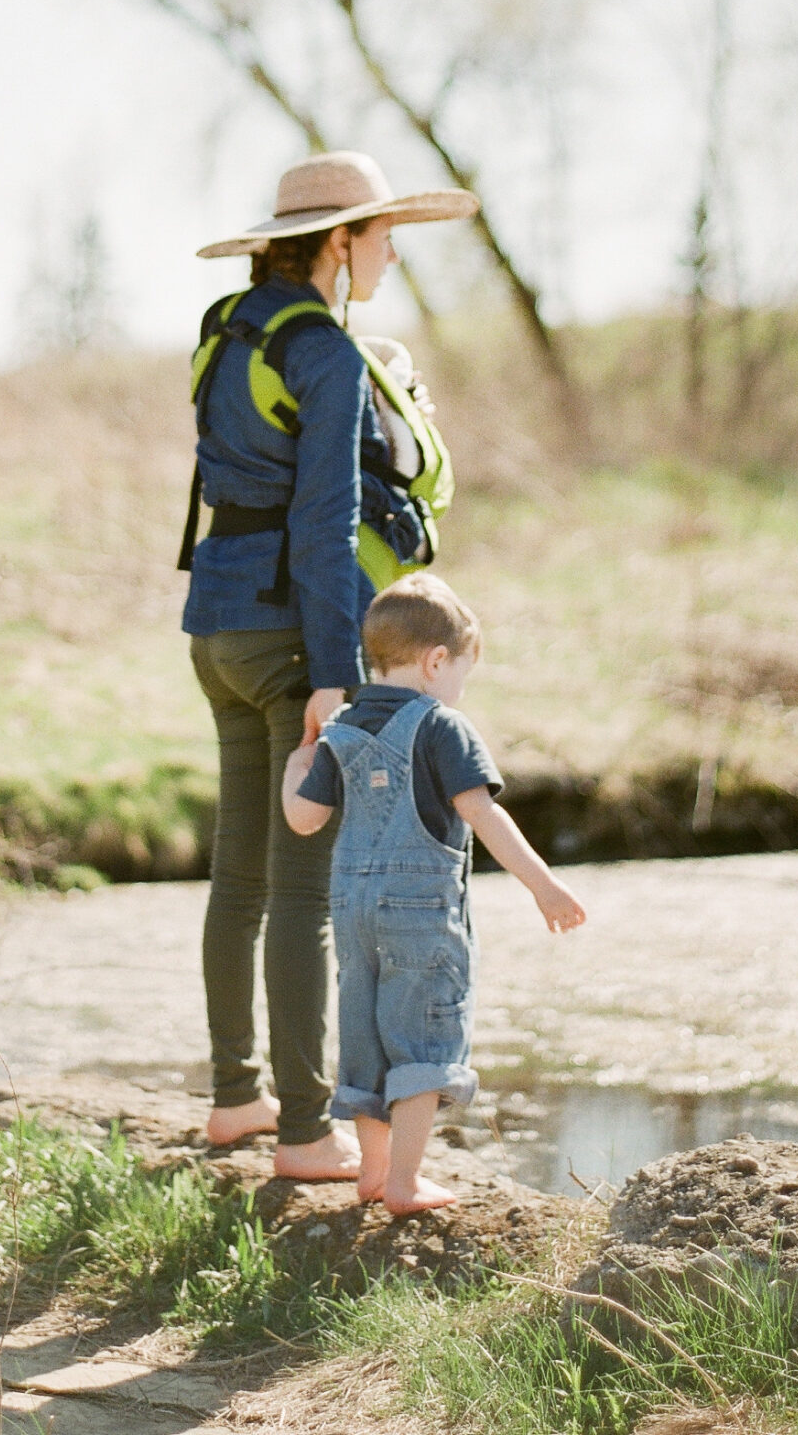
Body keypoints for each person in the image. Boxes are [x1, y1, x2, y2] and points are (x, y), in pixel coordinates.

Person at [181, 152, 478, 1181]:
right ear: (340, 242)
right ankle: (306, 1135)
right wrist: (332, 665)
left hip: (215, 624)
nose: (392, 249)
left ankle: (235, 1099)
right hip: (286, 637)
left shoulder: (230, 327)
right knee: (306, 887)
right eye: (382, 233)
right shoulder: (328, 354)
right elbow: (324, 521)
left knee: (241, 876)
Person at [281, 577, 586, 1213]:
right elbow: (484, 815)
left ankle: (372, 1170)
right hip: (419, 910)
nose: (458, 690)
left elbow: (304, 821)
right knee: (423, 1042)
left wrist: (294, 770)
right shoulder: (444, 725)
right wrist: (544, 885)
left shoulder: (341, 728)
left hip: (351, 911)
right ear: (436, 660)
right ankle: (403, 1183)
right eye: (461, 676)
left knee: (365, 1036)